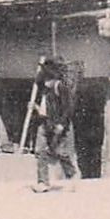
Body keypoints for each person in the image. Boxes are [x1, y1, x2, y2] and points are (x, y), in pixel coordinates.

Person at [30, 58, 78, 193]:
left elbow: (68, 108)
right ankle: (43, 182)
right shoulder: (46, 90)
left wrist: (62, 124)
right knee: (40, 151)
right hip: (45, 123)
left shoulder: (60, 87)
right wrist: (36, 108)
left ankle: (72, 176)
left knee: (61, 152)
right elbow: (46, 110)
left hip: (60, 125)